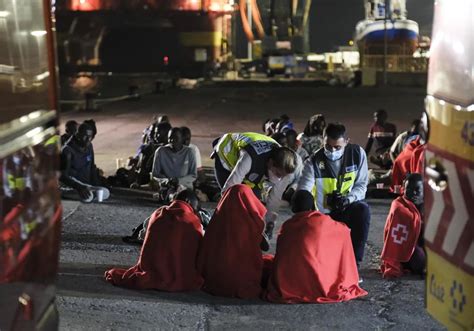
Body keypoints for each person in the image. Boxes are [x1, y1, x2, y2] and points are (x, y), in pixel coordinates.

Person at [264, 190, 368, 303]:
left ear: (293, 209)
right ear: (313, 205)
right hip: (321, 281)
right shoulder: (324, 221)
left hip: (292, 283)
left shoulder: (287, 227)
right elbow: (345, 232)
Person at [296, 123, 370, 266]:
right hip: (323, 215)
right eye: (328, 147)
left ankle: (354, 264)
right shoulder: (313, 161)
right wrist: (303, 205)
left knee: (363, 210)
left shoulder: (357, 154)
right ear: (322, 141)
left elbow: (361, 185)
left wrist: (348, 199)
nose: (332, 151)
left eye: (337, 147)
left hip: (346, 206)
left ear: (346, 141)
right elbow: (304, 189)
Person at [104, 189, 204, 291]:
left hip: (151, 270)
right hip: (179, 275)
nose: (194, 212)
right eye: (194, 209)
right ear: (187, 201)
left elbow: (143, 236)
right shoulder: (192, 220)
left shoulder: (158, 213)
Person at [212, 132, 297, 238]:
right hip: (226, 155)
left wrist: (270, 222)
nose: (279, 179)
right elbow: (229, 189)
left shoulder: (286, 170)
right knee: (233, 200)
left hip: (255, 164)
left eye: (282, 176)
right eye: (278, 174)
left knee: (255, 204)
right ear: (270, 163)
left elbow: (275, 197)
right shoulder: (250, 158)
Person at [197, 184, 269, 299]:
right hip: (241, 282)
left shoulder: (218, 219)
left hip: (213, 280)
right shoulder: (250, 224)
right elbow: (260, 249)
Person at [381, 173, 425, 278]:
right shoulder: (398, 206)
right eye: (408, 189)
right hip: (407, 248)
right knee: (420, 259)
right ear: (403, 189)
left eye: (417, 190)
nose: (413, 193)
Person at [60, 123, 110, 202]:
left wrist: (97, 184)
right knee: (88, 197)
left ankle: (90, 193)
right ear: (77, 135)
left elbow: (92, 167)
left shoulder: (89, 146)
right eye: (85, 136)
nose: (88, 139)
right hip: (73, 186)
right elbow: (62, 176)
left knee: (105, 192)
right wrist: (78, 187)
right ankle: (64, 193)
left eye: (90, 137)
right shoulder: (67, 150)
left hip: (86, 185)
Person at [151, 127, 197, 195]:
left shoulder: (189, 152)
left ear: (182, 139)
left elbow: (193, 175)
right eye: (170, 138)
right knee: (169, 193)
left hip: (185, 187)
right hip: (167, 187)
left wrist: (179, 181)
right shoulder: (160, 151)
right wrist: (166, 181)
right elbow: (155, 174)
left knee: (184, 195)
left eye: (176, 138)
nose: (172, 140)